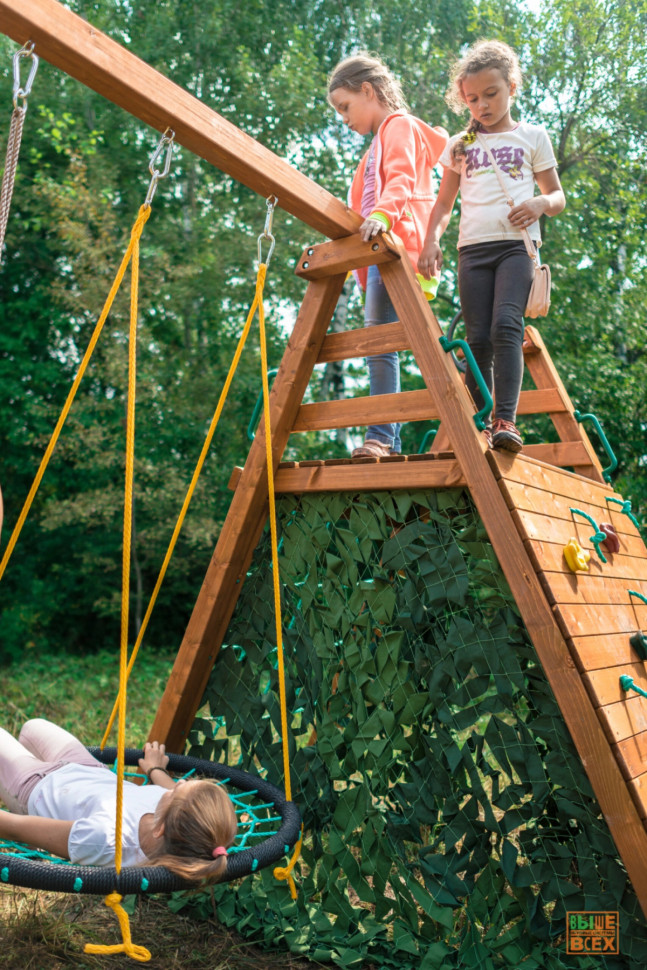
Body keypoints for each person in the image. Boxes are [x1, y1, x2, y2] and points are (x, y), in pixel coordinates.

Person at [418, 40, 565, 453]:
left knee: (506, 326)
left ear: (512, 86)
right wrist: (431, 240)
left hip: (516, 248)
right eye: (472, 98)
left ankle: (506, 420)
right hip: (473, 252)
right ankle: (478, 422)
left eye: (491, 94)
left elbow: (557, 196)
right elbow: (444, 202)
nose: (481, 105)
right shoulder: (460, 145)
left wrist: (538, 203)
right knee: (477, 337)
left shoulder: (532, 137)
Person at [328, 53, 448, 458]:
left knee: (380, 344)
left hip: (396, 249)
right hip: (382, 255)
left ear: (368, 90)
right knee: (391, 343)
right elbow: (357, 208)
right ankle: (388, 440)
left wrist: (381, 215)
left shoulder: (399, 128)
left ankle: (380, 436)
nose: (343, 118)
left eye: (345, 106)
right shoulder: (372, 150)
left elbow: (400, 178)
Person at [0, 718, 237, 883]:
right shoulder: (173, 819)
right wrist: (155, 769)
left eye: (177, 791)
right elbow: (171, 788)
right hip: (88, 768)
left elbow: (14, 829)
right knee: (33, 728)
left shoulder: (105, 839)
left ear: (160, 828)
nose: (179, 783)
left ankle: (19, 809)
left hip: (36, 787)